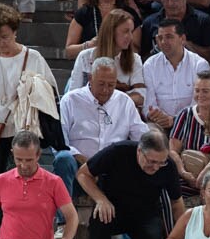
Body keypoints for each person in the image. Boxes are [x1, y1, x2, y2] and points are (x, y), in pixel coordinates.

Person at [78, 130, 186, 239]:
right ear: (139, 151)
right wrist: (100, 199)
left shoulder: (167, 166)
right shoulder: (117, 152)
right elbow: (83, 174)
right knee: (98, 224)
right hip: (112, 208)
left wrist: (180, 237)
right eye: (151, 161)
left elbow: (177, 203)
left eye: (160, 162)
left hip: (146, 213)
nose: (156, 167)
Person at [0, 3, 59, 185]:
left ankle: (10, 214)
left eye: (5, 37)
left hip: (23, 129)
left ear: (15, 32)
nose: (0, 43)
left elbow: (50, 91)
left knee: (14, 180)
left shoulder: (34, 57)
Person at [55, 57, 150, 200]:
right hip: (78, 165)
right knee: (63, 159)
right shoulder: (70, 100)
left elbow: (142, 137)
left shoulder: (124, 102)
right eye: (101, 84)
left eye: (111, 85)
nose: (106, 90)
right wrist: (87, 162)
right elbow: (60, 141)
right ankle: (64, 220)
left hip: (111, 170)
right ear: (90, 78)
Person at [168, 70, 210, 196]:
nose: (200, 95)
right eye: (197, 90)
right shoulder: (185, 114)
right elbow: (173, 150)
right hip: (187, 169)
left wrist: (205, 173)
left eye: (205, 91)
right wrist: (183, 172)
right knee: (170, 182)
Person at [141, 18, 209, 129]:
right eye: (160, 38)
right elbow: (148, 103)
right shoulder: (150, 65)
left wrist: (175, 120)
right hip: (159, 123)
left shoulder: (200, 65)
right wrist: (154, 115)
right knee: (150, 133)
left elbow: (200, 103)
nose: (163, 42)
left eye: (169, 37)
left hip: (191, 122)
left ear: (182, 39)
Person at [67, 9, 146, 102]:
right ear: (111, 32)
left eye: (131, 32)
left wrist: (109, 101)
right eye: (125, 31)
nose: (130, 37)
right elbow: (73, 94)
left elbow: (140, 96)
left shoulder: (134, 59)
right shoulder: (85, 57)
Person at [141, 0, 210, 67]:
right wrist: (158, 50)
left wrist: (185, 45)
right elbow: (143, 59)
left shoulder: (202, 21)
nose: (170, 3)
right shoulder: (150, 23)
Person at [66, 0, 136, 62]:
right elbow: (69, 51)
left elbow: (136, 48)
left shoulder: (129, 14)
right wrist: (89, 45)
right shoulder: (84, 13)